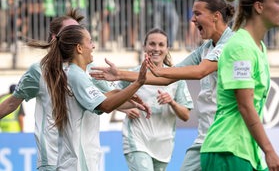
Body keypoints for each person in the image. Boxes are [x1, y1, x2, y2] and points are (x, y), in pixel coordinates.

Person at [90, 0, 235, 170]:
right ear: (144, 46)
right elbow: (166, 78)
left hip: (225, 133)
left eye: (197, 13)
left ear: (216, 16)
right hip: (205, 135)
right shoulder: (205, 48)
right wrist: (120, 74)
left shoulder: (230, 44)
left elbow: (199, 72)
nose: (192, 19)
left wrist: (164, 83)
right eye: (152, 44)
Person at [0, 9, 116, 170]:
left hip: (84, 159)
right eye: (70, 31)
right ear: (56, 38)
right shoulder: (38, 70)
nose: (76, 34)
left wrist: (133, 103)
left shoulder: (91, 69)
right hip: (52, 158)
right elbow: (12, 103)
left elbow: (110, 98)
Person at [27, 24, 151, 171]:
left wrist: (132, 101)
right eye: (90, 41)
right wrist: (137, 83)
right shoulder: (75, 75)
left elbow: (104, 99)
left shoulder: (75, 74)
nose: (93, 46)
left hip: (77, 161)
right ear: (79, 48)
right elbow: (105, 105)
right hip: (77, 163)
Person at [200, 0, 279, 170]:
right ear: (259, 7)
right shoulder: (240, 47)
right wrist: (269, 151)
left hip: (245, 152)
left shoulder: (258, 46)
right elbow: (245, 106)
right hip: (227, 152)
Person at [118, 28, 193, 170]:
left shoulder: (176, 77)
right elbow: (110, 98)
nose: (156, 49)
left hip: (163, 145)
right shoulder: (131, 74)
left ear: (167, 48)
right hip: (136, 140)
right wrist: (126, 109)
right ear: (144, 47)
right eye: (152, 44)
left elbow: (186, 115)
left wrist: (172, 102)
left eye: (161, 45)